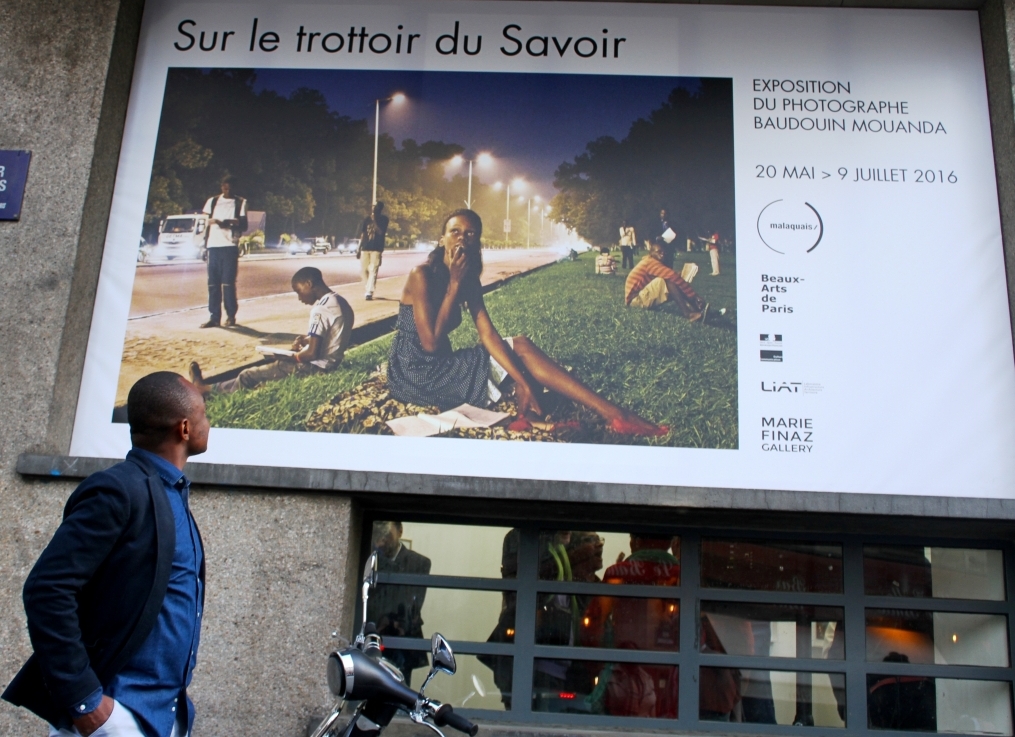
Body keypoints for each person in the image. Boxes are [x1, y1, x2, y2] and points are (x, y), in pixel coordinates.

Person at [3, 372, 209, 737]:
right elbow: (47, 590)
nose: (208, 424)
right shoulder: (118, 490)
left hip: (163, 716)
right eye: (204, 415)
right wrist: (86, 704)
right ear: (184, 428)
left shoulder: (171, 493)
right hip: (114, 716)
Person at [386, 208, 667, 436]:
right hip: (415, 372)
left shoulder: (467, 277)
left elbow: (488, 334)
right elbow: (431, 345)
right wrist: (455, 286)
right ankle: (616, 415)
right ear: (442, 239)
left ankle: (539, 413)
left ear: (477, 242)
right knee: (519, 349)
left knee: (517, 350)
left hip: (440, 366)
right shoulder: (421, 275)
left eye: (470, 234)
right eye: (455, 231)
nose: (462, 238)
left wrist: (523, 380)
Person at [189, 266, 353, 394]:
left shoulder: (320, 310)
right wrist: (307, 340)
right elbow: (334, 335)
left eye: (298, 291)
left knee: (248, 375)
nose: (299, 298)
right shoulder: (340, 302)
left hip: (315, 368)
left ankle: (205, 390)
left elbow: (311, 354)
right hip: (331, 364)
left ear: (309, 284)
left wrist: (290, 357)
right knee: (270, 368)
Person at [367, 521, 432, 685]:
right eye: (378, 537)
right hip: (374, 636)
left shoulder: (419, 563)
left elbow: (413, 603)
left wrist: (391, 620)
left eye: (386, 536)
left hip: (402, 638)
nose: (381, 542)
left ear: (400, 531)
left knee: (399, 688)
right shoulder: (371, 560)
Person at [200, 175, 247, 328]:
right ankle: (214, 317)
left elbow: (243, 225)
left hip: (229, 247)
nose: (227, 190)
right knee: (213, 284)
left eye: (230, 188)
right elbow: (205, 224)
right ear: (221, 187)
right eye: (225, 187)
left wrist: (226, 224)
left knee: (228, 283)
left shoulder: (240, 202)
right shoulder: (212, 201)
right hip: (213, 246)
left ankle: (231, 316)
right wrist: (203, 245)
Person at [625, 240, 708, 323]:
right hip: (635, 301)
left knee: (671, 281)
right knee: (668, 281)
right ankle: (688, 314)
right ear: (651, 252)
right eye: (659, 252)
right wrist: (694, 295)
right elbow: (672, 276)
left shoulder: (649, 260)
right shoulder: (651, 263)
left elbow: (670, 274)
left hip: (637, 298)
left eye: (664, 252)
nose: (662, 254)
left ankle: (697, 309)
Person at [357, 201, 389, 300]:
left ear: (380, 209)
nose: (374, 210)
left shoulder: (384, 219)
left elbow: (380, 231)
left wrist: (374, 220)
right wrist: (358, 248)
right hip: (365, 247)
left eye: (377, 208)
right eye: (374, 208)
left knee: (373, 270)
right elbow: (362, 234)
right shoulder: (366, 219)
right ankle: (368, 288)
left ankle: (369, 292)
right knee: (363, 270)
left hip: (377, 248)